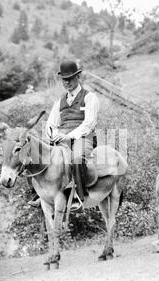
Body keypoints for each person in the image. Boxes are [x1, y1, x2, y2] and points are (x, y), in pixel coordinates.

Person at [46, 60, 100, 209]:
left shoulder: (89, 98)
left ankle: (79, 197)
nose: (67, 82)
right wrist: (55, 135)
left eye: (70, 78)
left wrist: (69, 136)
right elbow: (51, 125)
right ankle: (40, 194)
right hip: (63, 140)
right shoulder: (59, 103)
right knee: (40, 157)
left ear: (78, 77)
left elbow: (89, 124)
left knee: (76, 158)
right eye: (65, 79)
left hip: (84, 138)